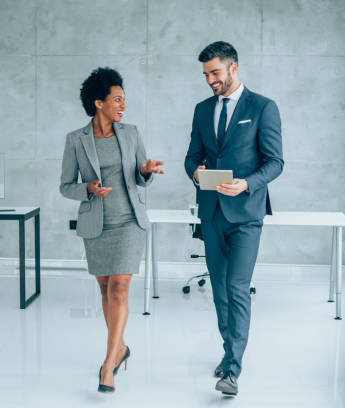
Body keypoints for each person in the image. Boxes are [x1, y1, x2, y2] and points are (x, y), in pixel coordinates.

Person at [184, 41, 284, 396]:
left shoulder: (262, 108)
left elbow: (275, 162)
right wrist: (195, 173)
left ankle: (232, 371)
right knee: (220, 290)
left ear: (233, 68)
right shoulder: (201, 110)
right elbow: (192, 156)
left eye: (215, 72)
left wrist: (246, 184)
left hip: (245, 215)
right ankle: (230, 352)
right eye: (205, 74)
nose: (210, 80)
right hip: (211, 214)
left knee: (238, 288)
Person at [60, 67, 164, 393]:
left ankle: (108, 364)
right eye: (116, 99)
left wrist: (146, 171)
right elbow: (65, 186)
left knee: (119, 288)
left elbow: (140, 176)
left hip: (129, 221)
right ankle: (119, 348)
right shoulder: (76, 140)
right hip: (97, 224)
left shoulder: (131, 133)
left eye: (123, 100)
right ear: (98, 102)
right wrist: (88, 187)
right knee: (105, 291)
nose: (122, 105)